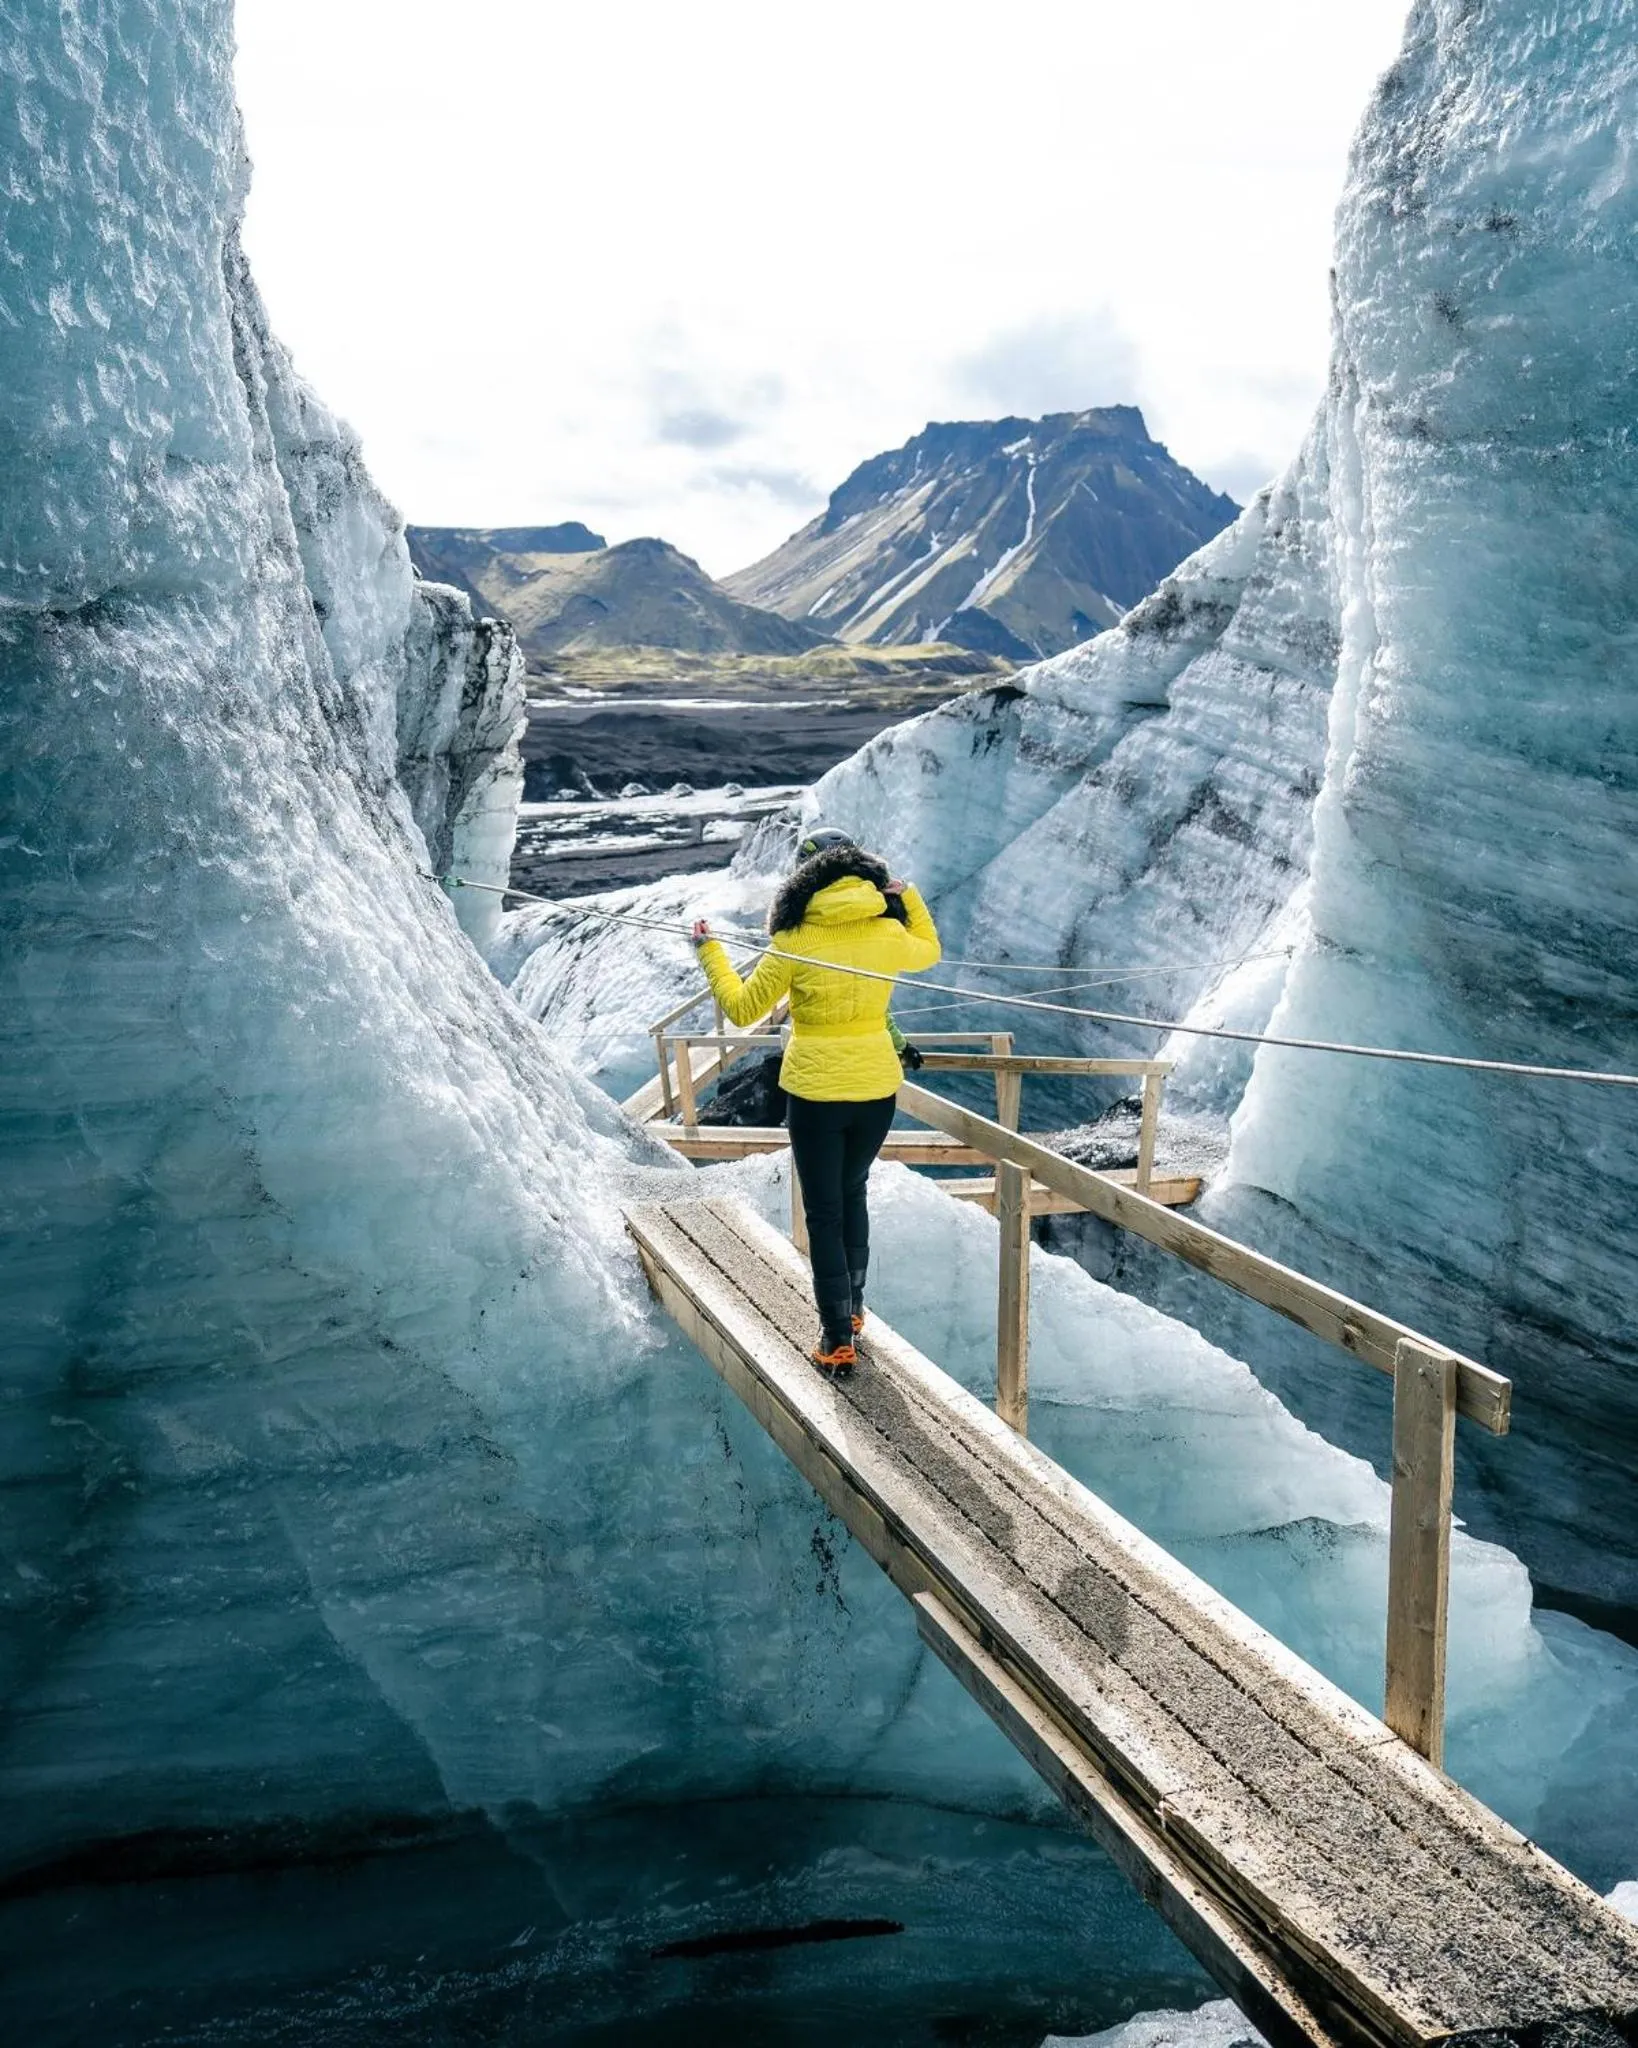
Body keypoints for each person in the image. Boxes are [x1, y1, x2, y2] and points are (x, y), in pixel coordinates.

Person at [691, 826, 940, 1376]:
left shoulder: (795, 941)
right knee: (854, 1194)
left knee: (823, 1213)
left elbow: (740, 1008)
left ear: (803, 883)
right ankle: (851, 1313)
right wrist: (906, 896)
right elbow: (930, 948)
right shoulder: (886, 935)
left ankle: (834, 1338)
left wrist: (710, 951)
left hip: (815, 1094)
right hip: (877, 1090)